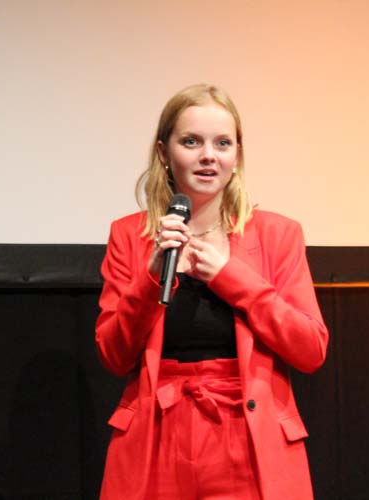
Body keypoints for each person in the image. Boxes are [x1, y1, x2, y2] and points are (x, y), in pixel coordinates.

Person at [95, 84, 328, 499]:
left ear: (237, 155)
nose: (209, 155)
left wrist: (231, 278)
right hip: (157, 440)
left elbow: (310, 348)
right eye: (191, 141)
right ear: (164, 152)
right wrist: (149, 278)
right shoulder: (130, 235)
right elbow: (114, 356)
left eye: (223, 143)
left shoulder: (278, 234)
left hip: (249, 445)